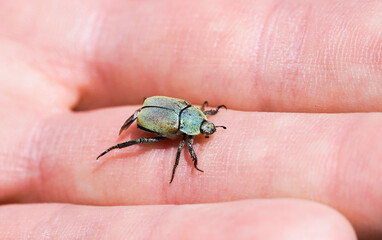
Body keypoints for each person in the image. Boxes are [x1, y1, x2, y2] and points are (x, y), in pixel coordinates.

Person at [0, 0, 380, 239]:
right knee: (140, 143)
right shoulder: (184, 133)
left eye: (205, 126)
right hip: (153, 115)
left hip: (158, 106)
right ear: (194, 124)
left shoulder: (197, 116)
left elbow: (199, 117)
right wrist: (189, 152)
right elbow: (184, 149)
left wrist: (204, 116)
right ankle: (116, 146)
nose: (206, 131)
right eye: (203, 127)